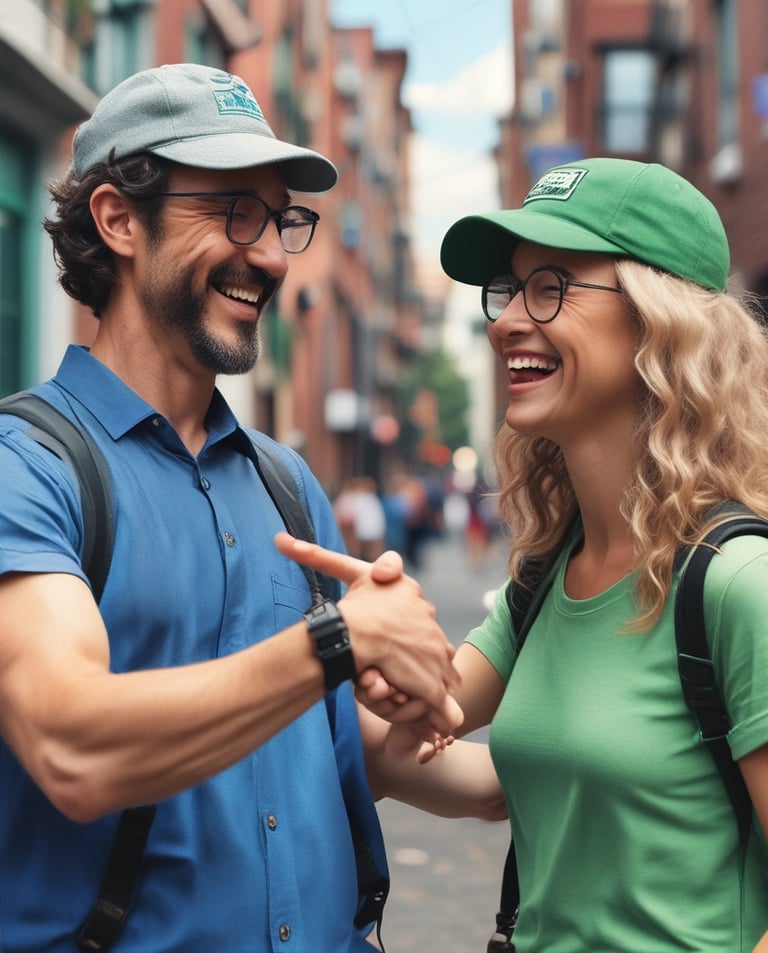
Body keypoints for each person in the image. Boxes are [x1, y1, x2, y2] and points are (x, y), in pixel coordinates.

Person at [0, 63, 505, 953]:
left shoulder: (284, 482)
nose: (271, 254)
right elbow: (69, 744)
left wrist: (591, 764)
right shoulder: (27, 469)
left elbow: (348, 742)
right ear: (119, 219)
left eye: (280, 220)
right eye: (234, 211)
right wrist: (339, 642)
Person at [278, 157, 768, 952]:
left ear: (660, 319)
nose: (505, 320)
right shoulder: (547, 574)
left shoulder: (740, 584)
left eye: (553, 287)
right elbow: (420, 720)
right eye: (510, 290)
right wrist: (358, 636)